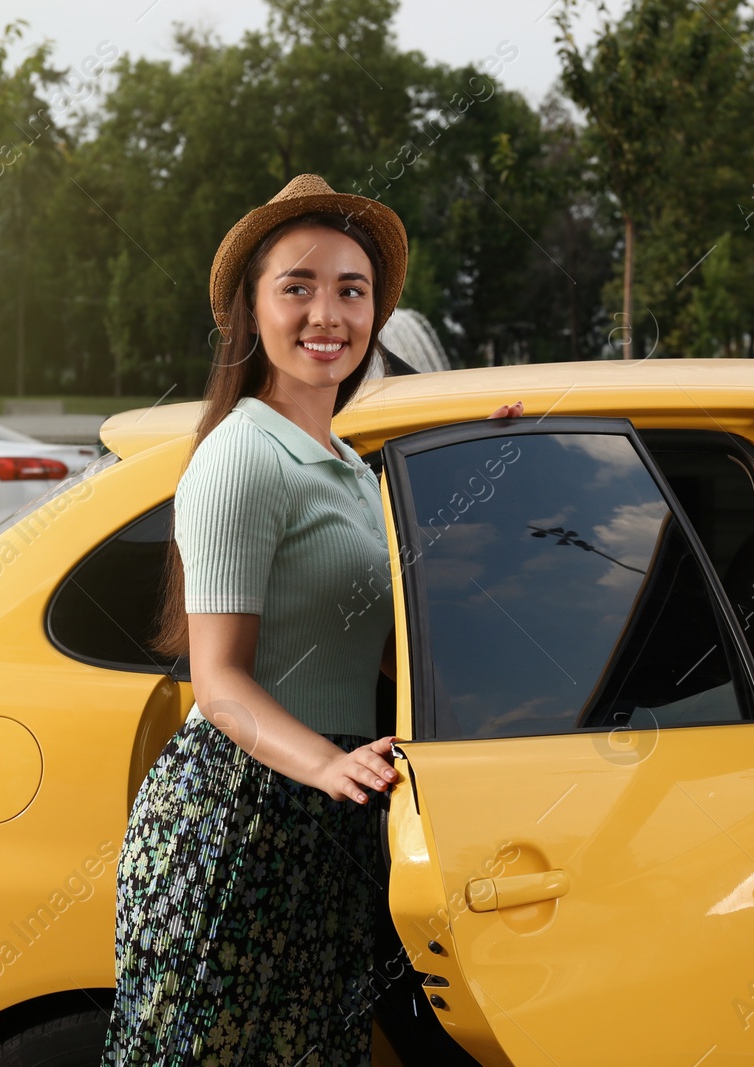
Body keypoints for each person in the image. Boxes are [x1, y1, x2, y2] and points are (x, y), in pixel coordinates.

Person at [100, 174, 521, 1066]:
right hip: (240, 828)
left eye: (350, 290)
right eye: (297, 286)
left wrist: (492, 451)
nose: (326, 313)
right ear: (251, 314)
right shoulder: (243, 456)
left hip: (324, 827)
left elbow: (396, 616)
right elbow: (218, 681)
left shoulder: (344, 462)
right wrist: (329, 764)